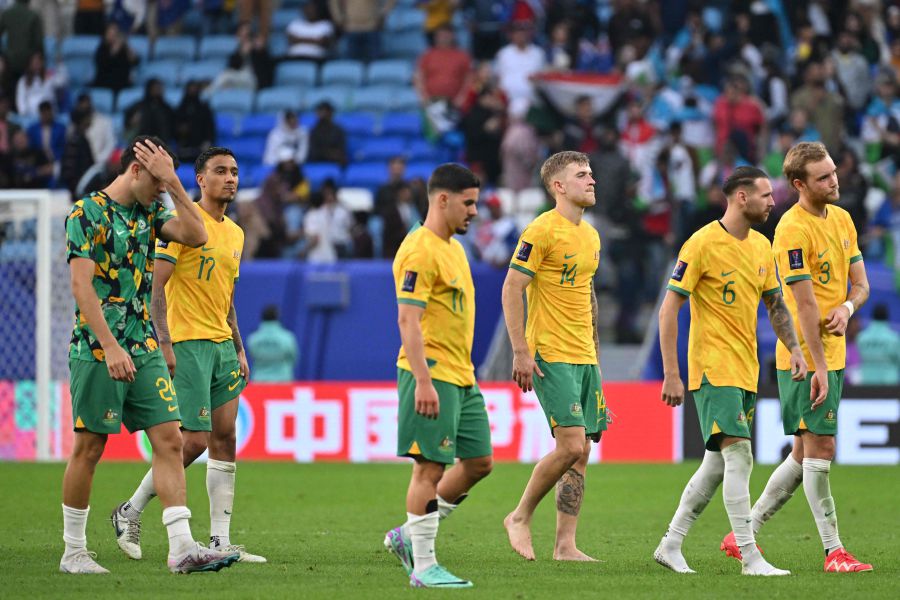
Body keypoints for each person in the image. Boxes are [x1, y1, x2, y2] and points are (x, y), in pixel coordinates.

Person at [62, 135, 239, 574]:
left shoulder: (154, 212)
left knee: (172, 439)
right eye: (158, 184)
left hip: (144, 346)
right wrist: (110, 345)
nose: (162, 193)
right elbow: (82, 287)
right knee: (90, 446)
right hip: (99, 348)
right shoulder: (87, 214)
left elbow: (198, 234)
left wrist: (176, 185)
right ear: (136, 169)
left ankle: (181, 547)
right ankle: (74, 551)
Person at [721, 141, 873, 573]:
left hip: (835, 354)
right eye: (823, 177)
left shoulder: (842, 219)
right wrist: (819, 366)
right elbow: (802, 305)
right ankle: (833, 551)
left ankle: (743, 532)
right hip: (805, 360)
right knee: (822, 446)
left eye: (833, 172)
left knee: (805, 453)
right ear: (798, 184)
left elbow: (858, 284)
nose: (834, 180)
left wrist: (847, 308)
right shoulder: (790, 230)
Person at [111, 147, 264, 564]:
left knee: (226, 437)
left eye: (234, 171)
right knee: (192, 441)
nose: (230, 178)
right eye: (220, 171)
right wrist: (164, 342)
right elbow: (156, 288)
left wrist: (238, 345)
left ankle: (220, 541)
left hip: (221, 345)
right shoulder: (181, 225)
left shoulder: (235, 232)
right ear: (200, 179)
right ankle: (130, 510)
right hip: (187, 342)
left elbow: (227, 296)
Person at [652, 166, 801, 576]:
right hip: (713, 367)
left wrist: (795, 350)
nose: (773, 202)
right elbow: (669, 309)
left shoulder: (761, 247)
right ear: (740, 197)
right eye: (766, 195)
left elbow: (775, 305)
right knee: (741, 456)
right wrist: (672, 373)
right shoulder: (701, 243)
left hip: (745, 369)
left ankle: (671, 543)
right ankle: (750, 557)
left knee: (717, 465)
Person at [383, 163, 492, 589]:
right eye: (468, 203)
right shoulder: (419, 250)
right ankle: (424, 567)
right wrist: (424, 380)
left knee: (479, 462)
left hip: (462, 376)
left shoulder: (454, 248)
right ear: (442, 200)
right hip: (431, 374)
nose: (475, 212)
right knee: (428, 468)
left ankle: (408, 536)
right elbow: (408, 320)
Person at [501, 151, 606, 562]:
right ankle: (519, 516)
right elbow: (512, 288)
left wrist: (595, 353)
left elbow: (587, 294)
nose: (592, 180)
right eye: (582, 175)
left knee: (583, 451)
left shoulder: (591, 235)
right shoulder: (540, 231)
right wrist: (521, 352)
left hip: (583, 355)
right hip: (551, 352)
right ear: (558, 186)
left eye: (591, 173)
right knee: (570, 445)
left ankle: (565, 545)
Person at [247, 305, 299, 382]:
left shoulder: (253, 339)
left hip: (259, 381)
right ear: (278, 318)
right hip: (282, 381)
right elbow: (293, 358)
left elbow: (251, 356)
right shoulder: (287, 338)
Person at [856, 303, 900, 385]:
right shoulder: (894, 338)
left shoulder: (861, 337)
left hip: (866, 382)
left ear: (872, 316)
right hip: (890, 383)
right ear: (887, 317)